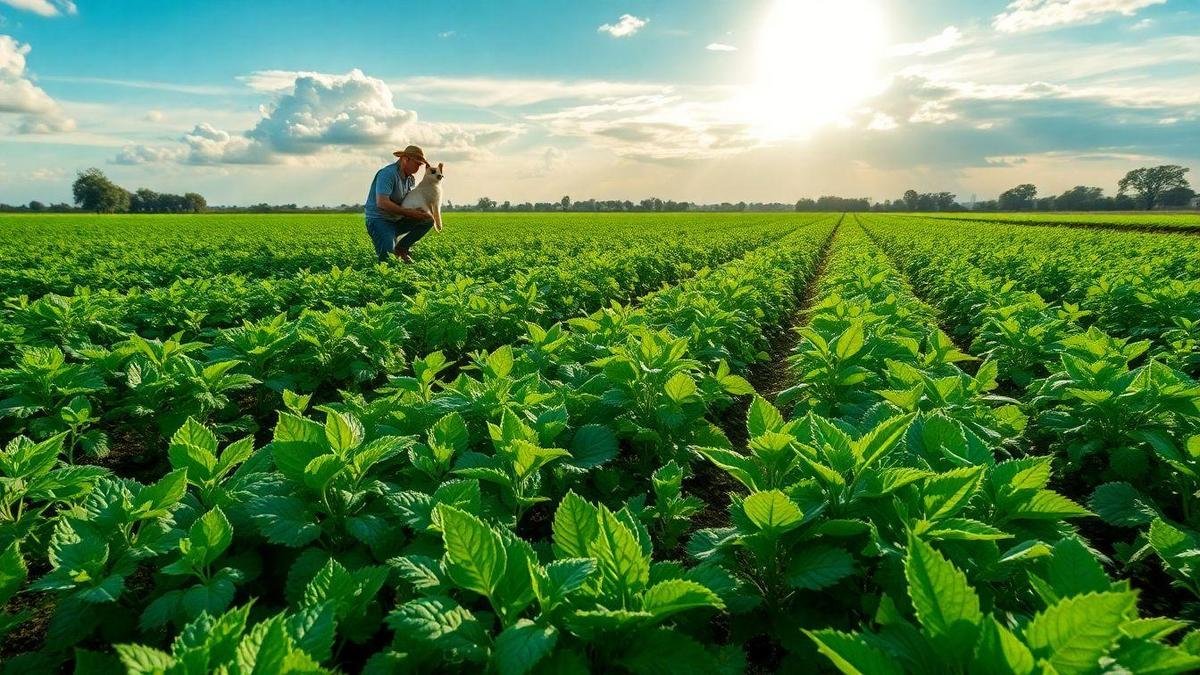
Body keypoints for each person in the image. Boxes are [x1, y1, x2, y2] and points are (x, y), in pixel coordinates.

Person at [364, 145, 435, 263]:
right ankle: (391, 248)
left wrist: (417, 211)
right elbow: (382, 203)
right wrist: (410, 213)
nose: (419, 167)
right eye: (417, 164)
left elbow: (407, 201)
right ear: (405, 159)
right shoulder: (388, 174)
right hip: (379, 221)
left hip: (396, 220)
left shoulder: (410, 179)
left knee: (427, 219)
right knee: (388, 260)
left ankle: (401, 248)